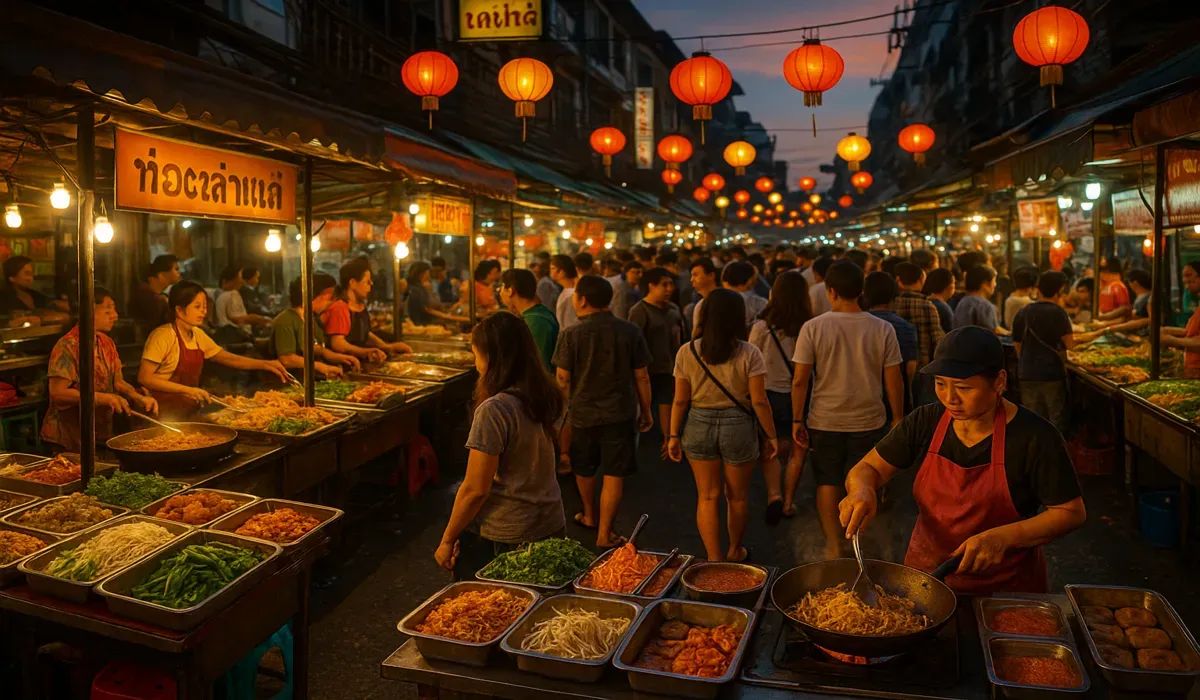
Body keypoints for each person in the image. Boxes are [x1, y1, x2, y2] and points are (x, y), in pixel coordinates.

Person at [839, 327, 1087, 595]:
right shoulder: (926, 421)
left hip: (1006, 590)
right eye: (940, 384)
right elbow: (869, 468)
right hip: (927, 581)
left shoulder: (1035, 436)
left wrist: (1003, 538)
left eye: (963, 387)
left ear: (999, 382)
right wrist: (861, 490)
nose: (950, 398)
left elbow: (1070, 512)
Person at [434, 312, 567, 579]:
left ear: (491, 358)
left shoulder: (495, 410)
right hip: (550, 523)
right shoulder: (546, 394)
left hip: (507, 536)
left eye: (476, 355)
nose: (476, 364)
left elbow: (475, 489)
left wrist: (448, 538)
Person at [792, 261, 904, 560]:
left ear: (830, 291)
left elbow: (800, 379)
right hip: (869, 419)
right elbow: (893, 377)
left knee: (827, 481)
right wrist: (897, 416)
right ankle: (858, 543)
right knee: (865, 482)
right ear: (861, 291)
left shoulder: (813, 327)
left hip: (824, 419)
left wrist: (796, 418)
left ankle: (832, 544)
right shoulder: (882, 328)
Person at [668, 288, 776, 563]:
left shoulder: (687, 351)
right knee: (737, 497)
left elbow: (680, 400)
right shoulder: (749, 352)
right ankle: (735, 550)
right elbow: (759, 400)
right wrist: (771, 435)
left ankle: (713, 558)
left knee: (707, 496)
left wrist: (673, 435)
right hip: (738, 426)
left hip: (698, 423)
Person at [553, 275, 653, 548]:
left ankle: (589, 515)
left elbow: (562, 378)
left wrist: (561, 412)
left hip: (583, 413)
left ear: (583, 300)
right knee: (614, 472)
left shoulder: (570, 334)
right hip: (620, 413)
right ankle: (605, 533)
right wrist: (646, 411)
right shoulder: (629, 331)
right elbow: (642, 376)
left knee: (584, 467)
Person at [139, 282, 291, 418]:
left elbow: (228, 358)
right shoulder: (162, 336)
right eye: (197, 307)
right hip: (160, 411)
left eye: (204, 307)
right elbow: (145, 378)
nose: (203, 312)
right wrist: (189, 390)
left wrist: (265, 364)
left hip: (185, 408)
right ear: (179, 310)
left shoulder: (197, 334)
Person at [43, 287, 159, 452]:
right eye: (107, 311)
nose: (115, 316)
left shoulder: (106, 342)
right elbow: (58, 393)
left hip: (99, 433)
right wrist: (103, 398)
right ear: (88, 311)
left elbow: (118, 382)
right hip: (68, 437)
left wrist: (137, 397)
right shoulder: (68, 345)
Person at [749, 271, 811, 521]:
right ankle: (788, 502)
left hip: (768, 394)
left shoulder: (762, 326)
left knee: (770, 445)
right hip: (800, 393)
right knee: (799, 448)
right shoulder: (808, 326)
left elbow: (752, 361)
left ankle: (773, 495)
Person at [628, 267, 684, 457]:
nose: (669, 289)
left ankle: (668, 438)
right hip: (646, 369)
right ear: (651, 286)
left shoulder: (673, 310)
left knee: (667, 400)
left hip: (669, 366)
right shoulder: (639, 311)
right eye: (664, 285)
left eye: (671, 284)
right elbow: (634, 343)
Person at [1011, 271, 1077, 433]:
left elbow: (1017, 344)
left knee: (1033, 420)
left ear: (1039, 289)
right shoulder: (1059, 313)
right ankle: (1055, 449)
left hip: (1027, 374)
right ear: (1059, 291)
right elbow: (1070, 345)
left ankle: (1035, 448)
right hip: (1051, 375)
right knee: (1056, 421)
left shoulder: (1023, 311)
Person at [270, 275, 360, 379]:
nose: (331, 303)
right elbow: (287, 359)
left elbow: (317, 349)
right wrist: (321, 367)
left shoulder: (310, 319)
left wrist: (338, 357)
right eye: (329, 298)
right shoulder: (285, 320)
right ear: (317, 296)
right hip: (290, 384)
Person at [322, 257, 410, 364]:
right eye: (367, 282)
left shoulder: (360, 306)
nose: (371, 284)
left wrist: (388, 347)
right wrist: (364, 352)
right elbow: (338, 343)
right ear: (353, 283)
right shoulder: (340, 308)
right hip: (345, 365)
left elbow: (366, 334)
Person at [864, 272, 919, 407]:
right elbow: (910, 367)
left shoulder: (859, 324)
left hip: (866, 393)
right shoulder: (905, 326)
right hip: (896, 396)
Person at [499, 269, 558, 371]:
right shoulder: (536, 314)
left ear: (510, 291)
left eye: (502, 287)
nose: (500, 293)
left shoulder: (536, 321)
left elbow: (539, 367)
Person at [891, 262, 945, 371]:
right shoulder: (927, 305)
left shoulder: (891, 303)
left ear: (898, 280)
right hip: (922, 365)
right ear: (921, 279)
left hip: (895, 362)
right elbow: (937, 339)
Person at [0, 255, 68, 324]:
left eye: (31, 274)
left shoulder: (36, 296)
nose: (31, 278)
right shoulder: (3, 299)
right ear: (12, 278)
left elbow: (62, 315)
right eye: (27, 274)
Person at [1160, 262, 1200, 377]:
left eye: (1189, 275)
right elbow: (1192, 333)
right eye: (1184, 276)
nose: (1186, 280)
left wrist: (1171, 340)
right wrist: (1168, 331)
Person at [130, 255, 180, 337]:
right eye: (176, 269)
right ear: (161, 274)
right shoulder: (147, 296)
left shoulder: (159, 296)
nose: (179, 273)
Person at [214, 266, 269, 338]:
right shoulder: (232, 294)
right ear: (226, 281)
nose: (242, 282)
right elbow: (237, 319)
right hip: (238, 338)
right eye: (240, 278)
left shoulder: (219, 296)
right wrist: (259, 319)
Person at [407, 261, 468, 326]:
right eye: (428, 271)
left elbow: (432, 306)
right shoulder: (416, 290)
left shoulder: (422, 288)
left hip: (428, 322)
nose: (430, 274)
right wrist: (448, 317)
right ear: (422, 273)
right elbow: (428, 309)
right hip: (422, 324)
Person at [954, 266, 1009, 335]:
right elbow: (993, 332)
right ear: (985, 284)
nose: (995, 285)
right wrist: (1010, 334)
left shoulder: (962, 302)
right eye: (994, 281)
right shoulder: (984, 305)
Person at [685, 258, 719, 337]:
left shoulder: (724, 301)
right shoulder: (700, 305)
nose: (691, 280)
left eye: (695, 275)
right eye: (691, 275)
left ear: (711, 275)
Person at [550, 254, 579, 331]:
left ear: (561, 272)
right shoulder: (567, 291)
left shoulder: (571, 295)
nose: (551, 272)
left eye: (553, 268)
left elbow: (569, 323)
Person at [924, 267, 956, 333]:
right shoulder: (943, 308)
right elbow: (952, 333)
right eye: (954, 283)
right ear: (948, 286)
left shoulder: (925, 301)